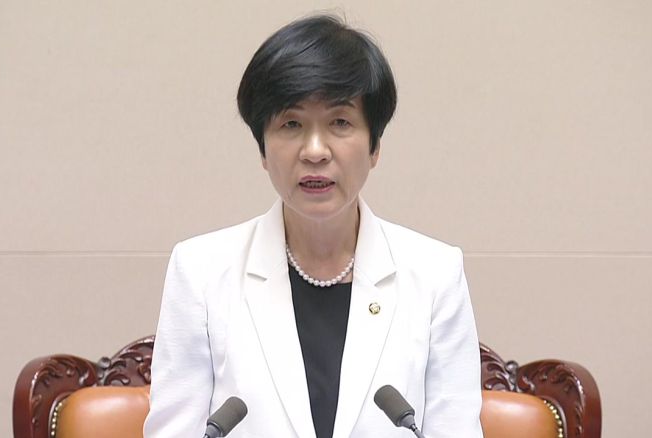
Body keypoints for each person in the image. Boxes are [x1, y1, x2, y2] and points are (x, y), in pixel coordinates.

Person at [143, 14, 483, 438]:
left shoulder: (435, 274)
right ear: (263, 149)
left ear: (375, 146)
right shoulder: (201, 270)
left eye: (340, 123)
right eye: (291, 124)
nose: (315, 151)